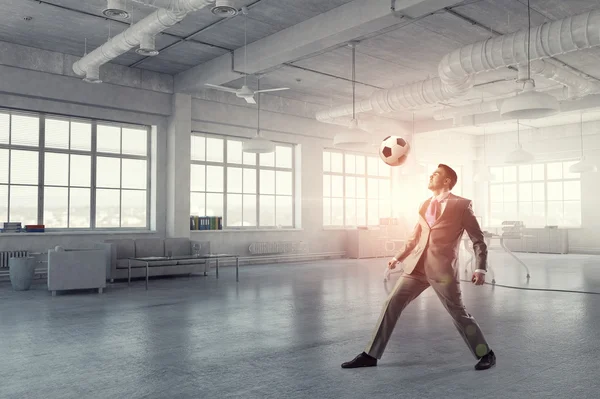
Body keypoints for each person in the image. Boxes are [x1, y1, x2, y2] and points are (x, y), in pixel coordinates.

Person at [341, 164, 496, 371]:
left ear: (447, 180)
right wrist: (398, 257)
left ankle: (485, 353)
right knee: (391, 304)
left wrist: (480, 268)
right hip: (416, 268)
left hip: (442, 272)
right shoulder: (424, 205)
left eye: (436, 174)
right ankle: (371, 354)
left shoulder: (461, 206)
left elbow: (478, 239)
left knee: (458, 313)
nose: (431, 176)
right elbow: (415, 236)